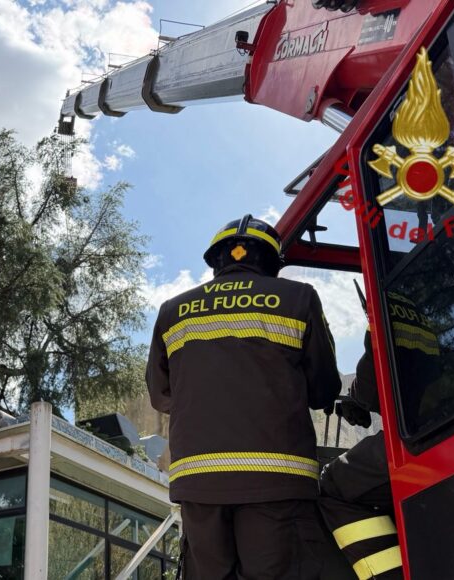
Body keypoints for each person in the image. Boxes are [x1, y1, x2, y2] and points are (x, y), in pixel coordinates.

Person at [146, 215, 341, 579]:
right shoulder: (298, 298)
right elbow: (324, 389)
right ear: (272, 261)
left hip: (199, 483)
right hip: (278, 480)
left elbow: (161, 396)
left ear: (216, 260)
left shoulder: (173, 311)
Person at [319, 291, 441, 580]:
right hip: (442, 421)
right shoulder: (423, 313)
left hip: (415, 436)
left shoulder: (384, 305)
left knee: (334, 482)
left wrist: (356, 401)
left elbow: (372, 381)